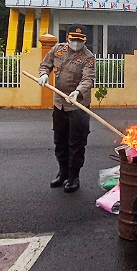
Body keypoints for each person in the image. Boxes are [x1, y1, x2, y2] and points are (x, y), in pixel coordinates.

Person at [38, 25, 95, 193]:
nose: (76, 43)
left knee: (76, 144)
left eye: (80, 41)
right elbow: (45, 65)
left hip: (78, 105)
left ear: (84, 41)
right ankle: (62, 173)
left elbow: (88, 78)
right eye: (74, 40)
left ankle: (73, 177)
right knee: (60, 141)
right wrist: (43, 75)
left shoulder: (88, 57)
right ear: (68, 38)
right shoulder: (58, 49)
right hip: (59, 104)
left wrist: (78, 91)